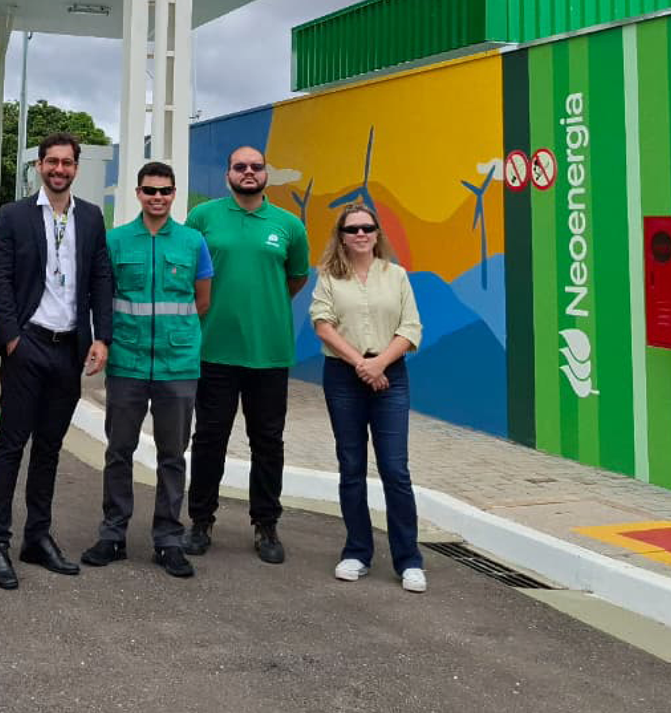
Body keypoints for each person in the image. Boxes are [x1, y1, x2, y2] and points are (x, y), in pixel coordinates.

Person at [0, 132, 113, 590]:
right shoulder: (14, 215)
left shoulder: (91, 217)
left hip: (69, 347)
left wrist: (102, 337)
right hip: (28, 345)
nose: (59, 169)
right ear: (39, 166)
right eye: (52, 162)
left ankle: (37, 537)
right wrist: (11, 338)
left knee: (50, 448)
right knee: (11, 445)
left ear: (76, 167)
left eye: (67, 162)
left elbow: (100, 279)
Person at [80, 161, 213, 578]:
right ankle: (113, 535)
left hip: (178, 365)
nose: (158, 197)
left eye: (165, 191)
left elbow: (202, 301)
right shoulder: (115, 241)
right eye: (150, 190)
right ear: (137, 193)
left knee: (173, 455)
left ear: (174, 194)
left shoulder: (193, 242)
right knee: (119, 451)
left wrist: (175, 337)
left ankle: (168, 539)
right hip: (128, 362)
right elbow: (102, 298)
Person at [183, 146, 311, 564]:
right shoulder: (203, 218)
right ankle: (200, 522)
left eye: (256, 167)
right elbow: (189, 273)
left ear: (266, 174)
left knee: (268, 443)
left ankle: (266, 525)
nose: (249, 172)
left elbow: (294, 279)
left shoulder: (289, 225)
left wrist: (263, 305)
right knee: (209, 440)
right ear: (228, 175)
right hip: (214, 351)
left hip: (269, 353)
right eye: (240, 167)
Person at [309, 202, 427, 593]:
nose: (360, 234)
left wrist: (379, 365)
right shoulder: (329, 277)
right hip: (344, 376)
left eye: (367, 228)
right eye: (352, 229)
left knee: (395, 469)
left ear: (377, 234)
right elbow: (322, 325)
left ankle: (409, 560)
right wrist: (362, 364)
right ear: (341, 237)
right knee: (351, 465)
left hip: (390, 375)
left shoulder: (396, 276)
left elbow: (411, 328)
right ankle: (357, 552)